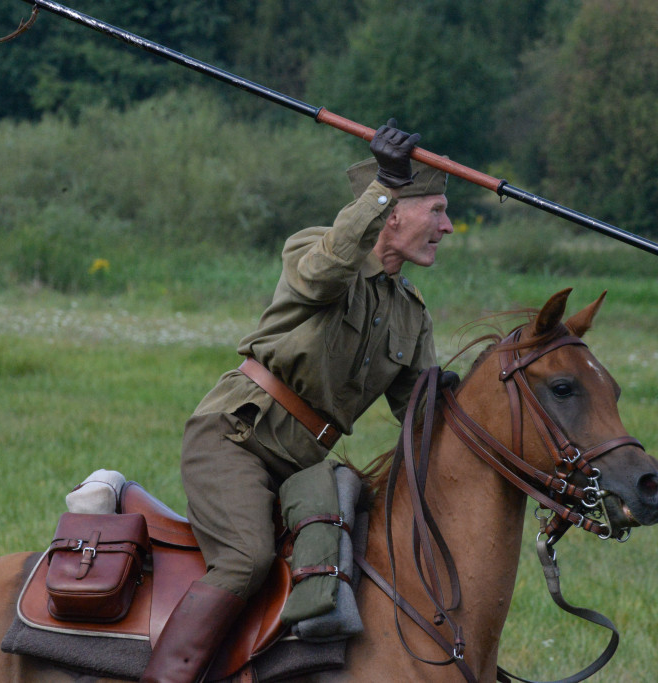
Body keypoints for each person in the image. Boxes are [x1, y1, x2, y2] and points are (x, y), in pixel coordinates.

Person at [141, 120, 454, 683]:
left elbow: (422, 414)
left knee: (353, 563)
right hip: (236, 437)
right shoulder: (314, 250)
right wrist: (383, 182)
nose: (448, 227)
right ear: (394, 212)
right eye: (436, 210)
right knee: (248, 559)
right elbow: (321, 277)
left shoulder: (412, 312)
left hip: (304, 466)